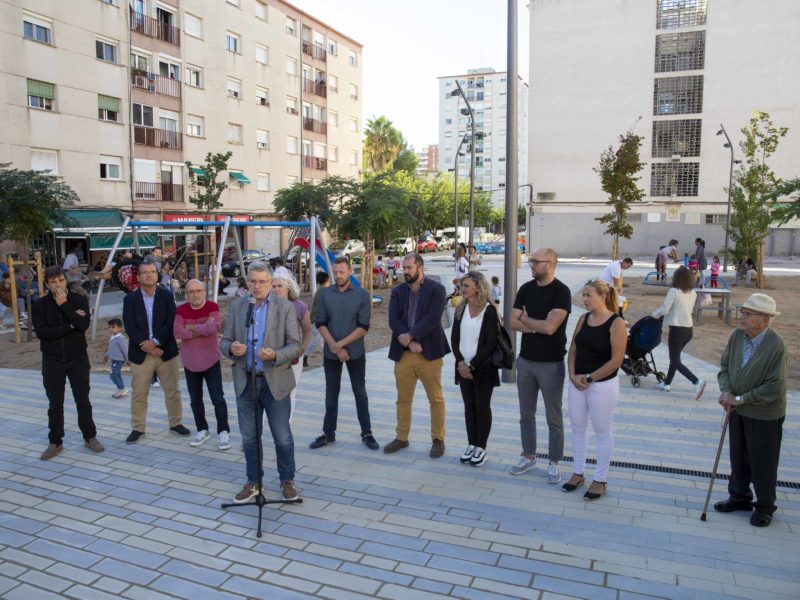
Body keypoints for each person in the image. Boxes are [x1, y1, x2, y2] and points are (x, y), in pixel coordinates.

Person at [220, 261, 301, 503]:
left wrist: (276, 355)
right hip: (246, 382)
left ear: (270, 282)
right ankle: (254, 482)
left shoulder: (285, 307)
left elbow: (295, 346)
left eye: (262, 282)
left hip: (274, 381)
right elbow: (224, 342)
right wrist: (231, 348)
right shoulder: (237, 307)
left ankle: (287, 479)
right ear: (247, 282)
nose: (257, 286)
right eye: (253, 281)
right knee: (249, 438)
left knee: (282, 436)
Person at [715, 294, 787, 527]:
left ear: (764, 319)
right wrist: (727, 393)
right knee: (738, 457)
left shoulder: (775, 344)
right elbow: (725, 366)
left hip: (764, 413)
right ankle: (739, 497)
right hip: (738, 410)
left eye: (748, 314)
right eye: (742, 312)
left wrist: (741, 399)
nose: (742, 317)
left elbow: (774, 386)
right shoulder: (737, 336)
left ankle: (765, 506)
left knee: (762, 461)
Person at [508, 248, 572, 483]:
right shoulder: (525, 289)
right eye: (530, 261)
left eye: (535, 261)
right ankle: (529, 455)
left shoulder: (561, 292)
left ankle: (554, 461)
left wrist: (526, 319)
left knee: (553, 418)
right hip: (525, 361)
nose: (531, 264)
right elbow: (512, 323)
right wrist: (536, 324)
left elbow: (550, 328)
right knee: (526, 414)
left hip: (551, 364)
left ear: (551, 264)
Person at [563, 279, 627, 500]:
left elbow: (616, 360)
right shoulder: (583, 318)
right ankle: (578, 472)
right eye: (584, 295)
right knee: (578, 429)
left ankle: (600, 479)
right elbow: (573, 349)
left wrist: (589, 378)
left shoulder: (616, 323)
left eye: (588, 295)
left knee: (602, 432)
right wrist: (572, 375)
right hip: (577, 382)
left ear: (602, 296)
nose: (584, 299)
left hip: (602, 385)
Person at [32, 266, 104, 460]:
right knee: (55, 403)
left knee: (83, 400)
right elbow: (42, 333)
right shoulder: (40, 305)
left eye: (61, 281)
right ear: (47, 284)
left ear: (66, 281)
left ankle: (90, 437)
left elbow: (83, 325)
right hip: (52, 360)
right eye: (53, 282)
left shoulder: (78, 300)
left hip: (78, 358)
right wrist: (70, 324)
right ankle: (56, 441)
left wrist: (64, 305)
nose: (58, 285)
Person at [385, 253, 450, 457]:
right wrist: (409, 341)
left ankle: (438, 439)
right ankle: (401, 438)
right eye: (403, 268)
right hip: (404, 353)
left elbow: (433, 318)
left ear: (420, 267)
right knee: (403, 398)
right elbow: (393, 319)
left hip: (428, 352)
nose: (405, 271)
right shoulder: (398, 291)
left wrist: (412, 336)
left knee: (436, 399)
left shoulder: (436, 289)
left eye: (409, 268)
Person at [310, 258, 378, 450]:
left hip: (355, 353)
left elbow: (364, 326)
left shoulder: (363, 295)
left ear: (349, 272)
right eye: (335, 272)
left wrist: (341, 345)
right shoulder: (325, 294)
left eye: (341, 272)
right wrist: (334, 346)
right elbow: (320, 322)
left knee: (360, 393)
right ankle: (328, 434)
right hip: (331, 353)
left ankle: (367, 433)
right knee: (331, 394)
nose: (338, 275)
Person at [122, 262, 189, 443]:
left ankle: (176, 423)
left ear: (157, 275)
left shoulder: (167, 296)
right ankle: (138, 428)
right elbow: (129, 326)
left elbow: (170, 323)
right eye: (145, 272)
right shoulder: (130, 299)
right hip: (140, 352)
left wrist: (156, 342)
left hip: (165, 352)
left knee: (173, 391)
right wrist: (147, 345)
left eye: (152, 272)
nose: (149, 275)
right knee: (139, 393)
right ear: (138, 277)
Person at [174, 279, 231, 450]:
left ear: (204, 292)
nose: (195, 294)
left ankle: (223, 432)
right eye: (191, 292)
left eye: (198, 291)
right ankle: (202, 430)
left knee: (218, 399)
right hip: (190, 362)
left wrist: (190, 328)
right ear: (186, 294)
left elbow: (213, 328)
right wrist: (201, 327)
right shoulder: (180, 309)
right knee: (195, 400)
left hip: (211, 359)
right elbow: (177, 331)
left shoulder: (212, 306)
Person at [450, 271, 500, 467]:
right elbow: (454, 339)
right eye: (462, 286)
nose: (462, 289)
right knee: (469, 407)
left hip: (482, 368)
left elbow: (490, 343)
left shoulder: (489, 310)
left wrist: (472, 365)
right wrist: (461, 363)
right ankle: (471, 443)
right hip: (462, 367)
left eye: (466, 286)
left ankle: (481, 447)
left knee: (481, 406)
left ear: (478, 287)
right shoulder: (460, 309)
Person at [650, 265, 707, 399]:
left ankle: (697, 382)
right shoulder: (692, 292)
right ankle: (666, 383)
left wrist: (654, 315)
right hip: (688, 330)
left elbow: (665, 309)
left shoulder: (673, 291)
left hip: (677, 330)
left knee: (675, 360)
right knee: (675, 358)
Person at [271, 273, 313, 420]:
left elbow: (308, 331)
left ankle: (286, 425)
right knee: (269, 392)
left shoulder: (299, 306)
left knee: (291, 393)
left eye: (280, 286)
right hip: (272, 355)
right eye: (274, 286)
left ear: (288, 287)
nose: (276, 289)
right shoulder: (267, 305)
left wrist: (302, 349)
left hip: (293, 356)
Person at [303, 271, 330, 366]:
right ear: (328, 279)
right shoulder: (326, 291)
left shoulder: (321, 290)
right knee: (316, 340)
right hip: (319, 320)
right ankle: (304, 356)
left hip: (318, 318)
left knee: (324, 340)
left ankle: (326, 359)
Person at [104, 318, 129, 398]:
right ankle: (122, 389)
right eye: (110, 327)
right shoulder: (112, 337)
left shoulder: (121, 339)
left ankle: (122, 388)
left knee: (113, 375)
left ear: (120, 328)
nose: (111, 329)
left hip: (119, 360)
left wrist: (128, 360)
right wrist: (106, 355)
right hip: (114, 359)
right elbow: (111, 348)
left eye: (113, 327)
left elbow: (125, 350)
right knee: (117, 374)